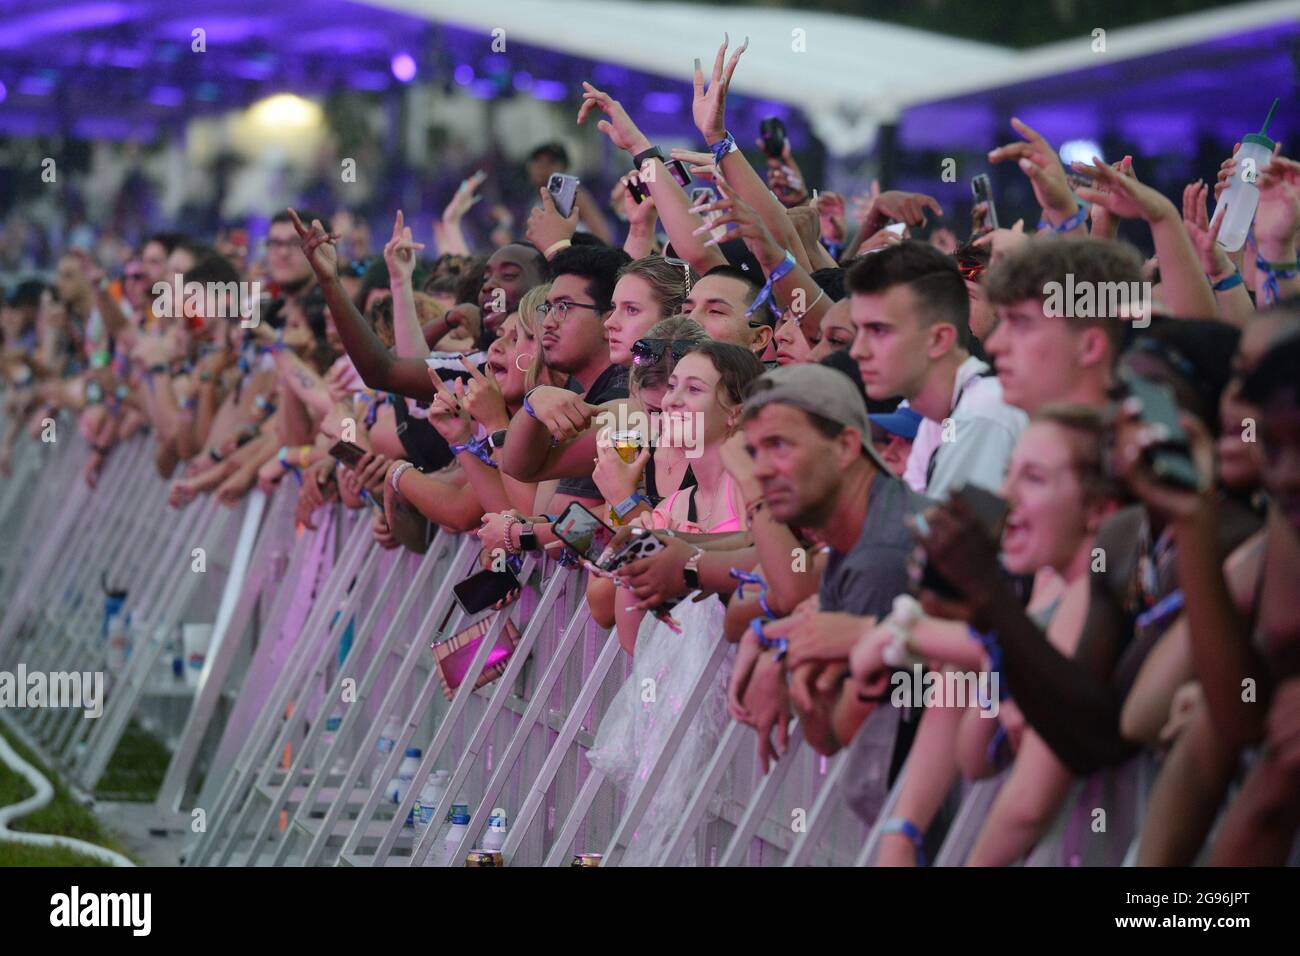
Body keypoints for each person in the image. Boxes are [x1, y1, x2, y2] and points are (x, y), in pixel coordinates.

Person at [725, 363, 928, 823]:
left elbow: (837, 731)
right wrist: (790, 654)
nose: (760, 471)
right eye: (754, 452)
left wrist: (793, 662)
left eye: (780, 445)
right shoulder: (865, 526)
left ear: (844, 447)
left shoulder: (885, 551)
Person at [585, 341, 763, 865]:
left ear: (736, 413)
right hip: (674, 705)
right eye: (672, 386)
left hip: (741, 715)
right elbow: (615, 596)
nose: (671, 400)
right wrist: (628, 520)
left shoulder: (749, 488)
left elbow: (770, 561)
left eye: (694, 388)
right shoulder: (676, 504)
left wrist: (625, 505)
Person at [847, 241, 1025, 499]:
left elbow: (932, 537)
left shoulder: (983, 413)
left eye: (879, 330)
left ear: (939, 339)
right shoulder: (938, 417)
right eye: (859, 330)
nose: (857, 351)